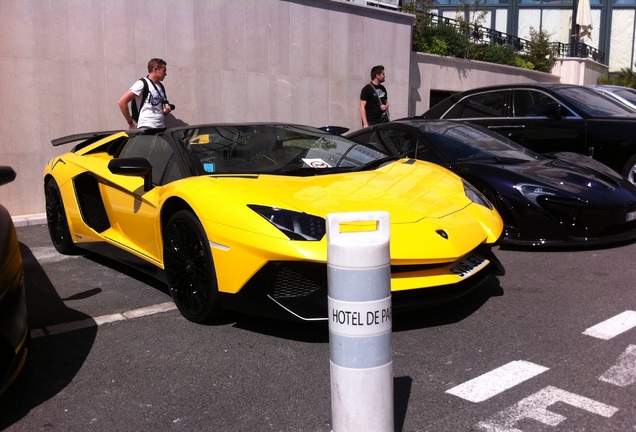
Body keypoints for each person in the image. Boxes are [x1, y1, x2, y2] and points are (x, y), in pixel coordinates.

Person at [118, 58, 172, 132]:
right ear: (155, 69)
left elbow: (160, 107)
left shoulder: (161, 86)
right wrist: (130, 123)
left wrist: (165, 111)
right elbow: (122, 102)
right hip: (147, 126)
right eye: (164, 71)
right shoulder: (142, 83)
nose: (165, 74)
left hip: (161, 127)